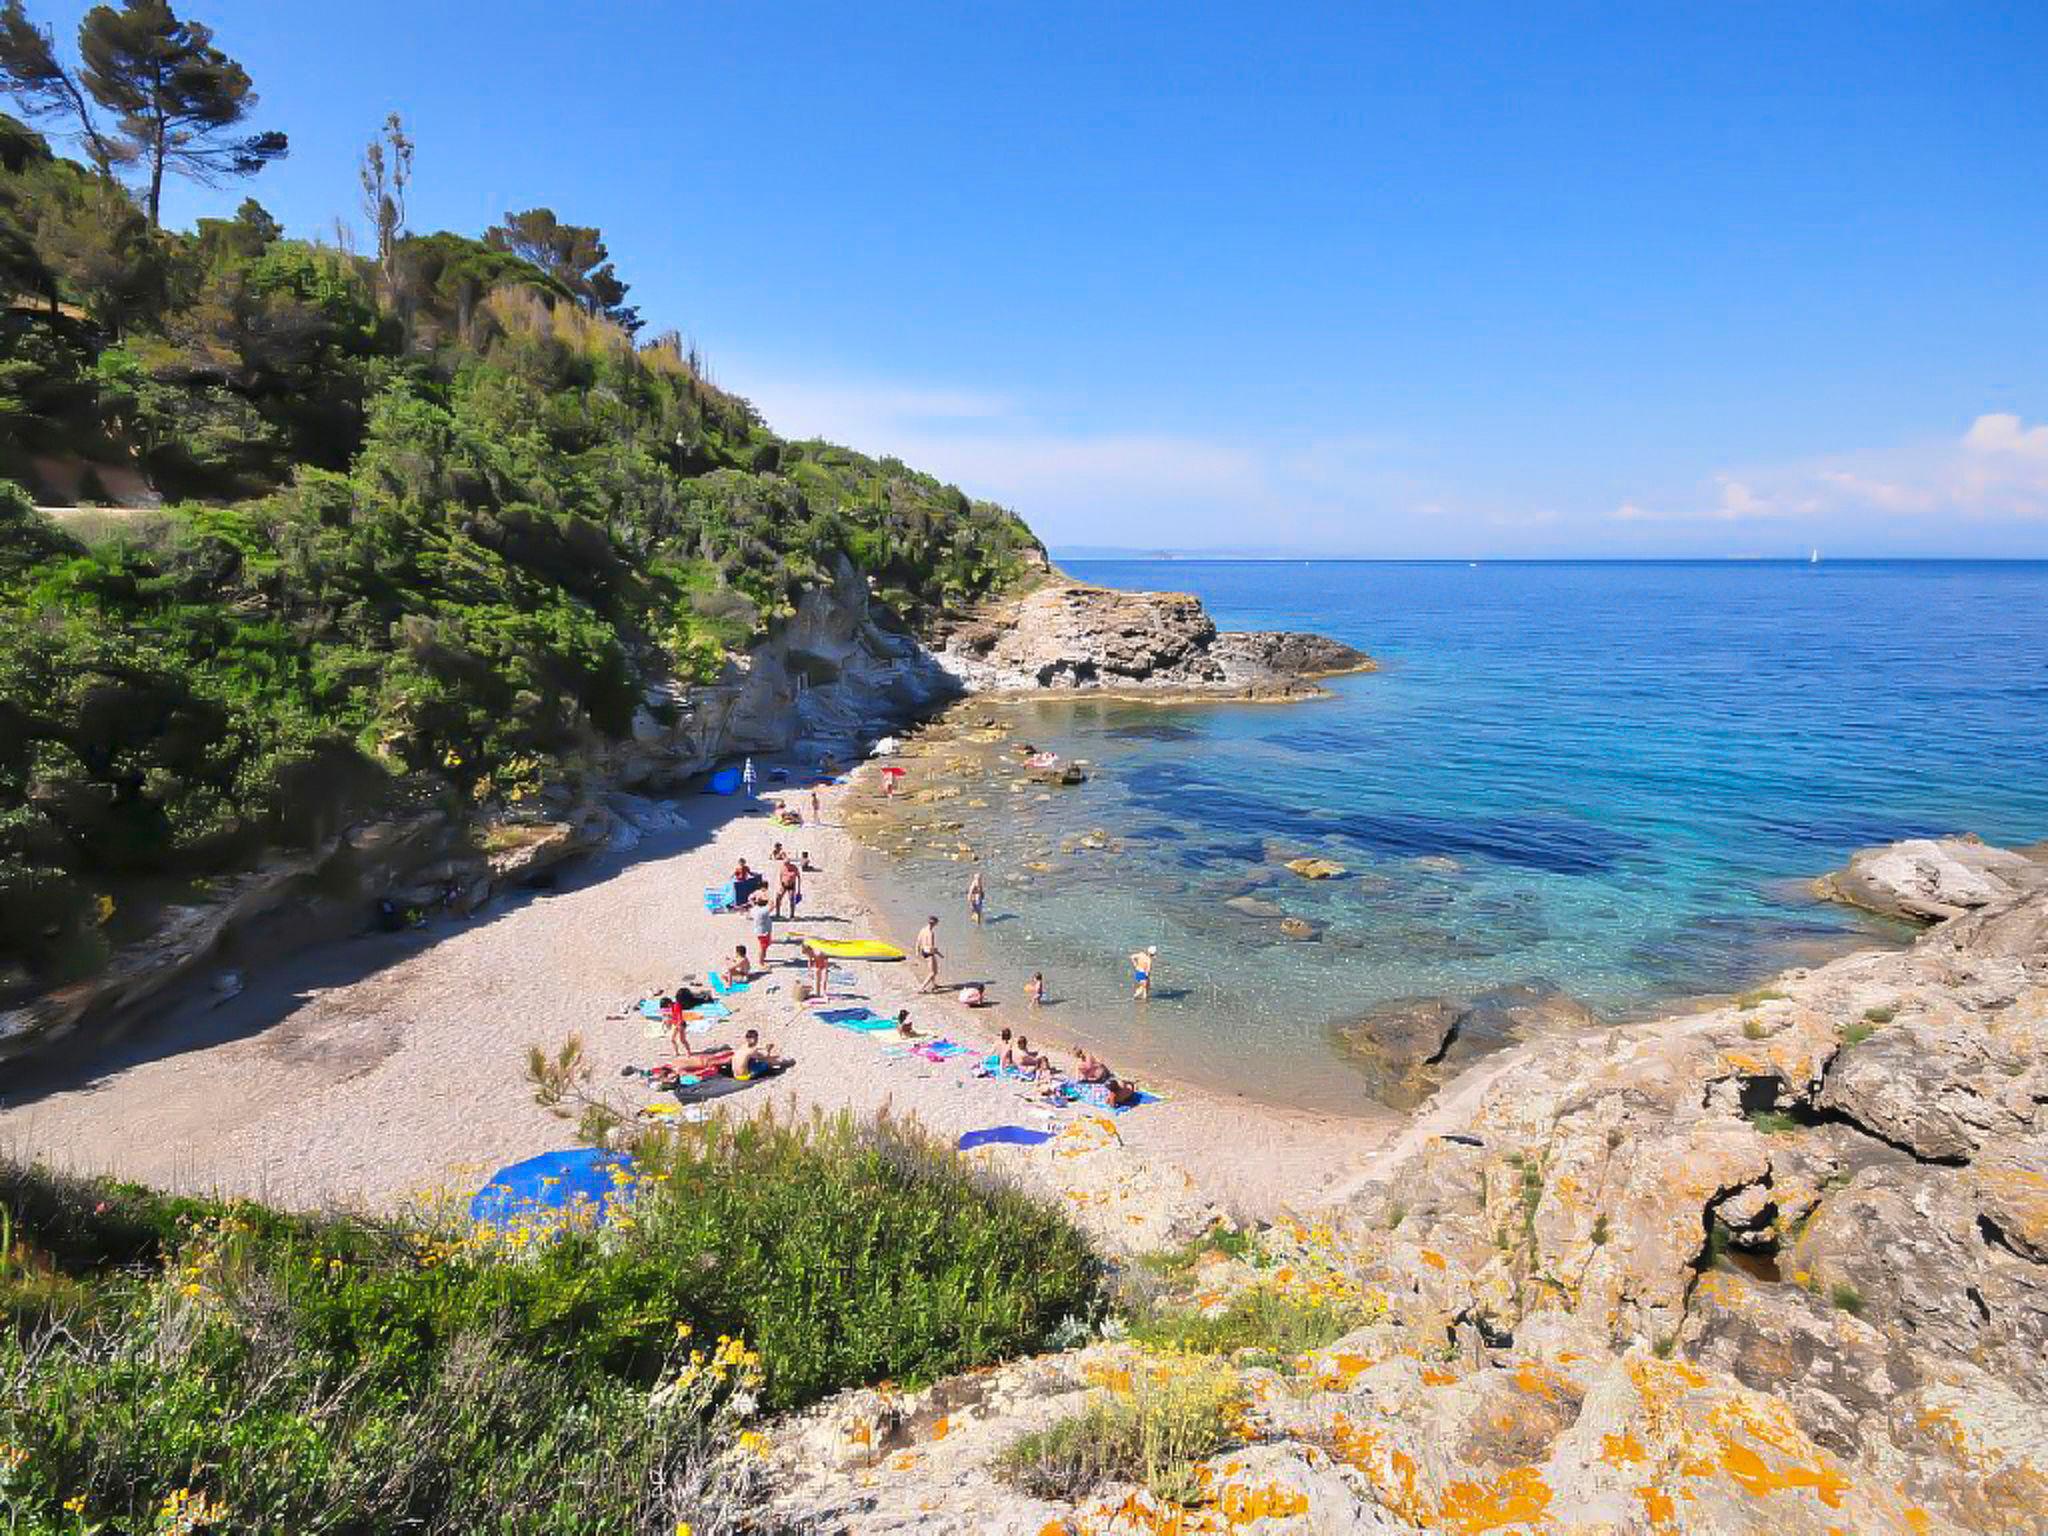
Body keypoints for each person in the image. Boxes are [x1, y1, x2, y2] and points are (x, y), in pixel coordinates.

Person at [916, 915, 942, 993]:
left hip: (923, 952)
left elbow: (918, 941)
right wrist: (939, 953)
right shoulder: (931, 933)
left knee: (933, 969)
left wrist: (917, 952)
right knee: (933, 972)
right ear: (934, 923)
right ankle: (922, 987)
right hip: (929, 953)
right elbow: (931, 947)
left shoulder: (923, 930)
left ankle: (934, 984)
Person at [751, 896, 774, 964]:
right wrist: (770, 898)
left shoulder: (754, 909)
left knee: (765, 945)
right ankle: (761, 961)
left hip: (759, 930)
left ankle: (763, 957)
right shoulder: (764, 911)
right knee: (763, 947)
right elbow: (772, 905)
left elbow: (752, 902)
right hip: (764, 932)